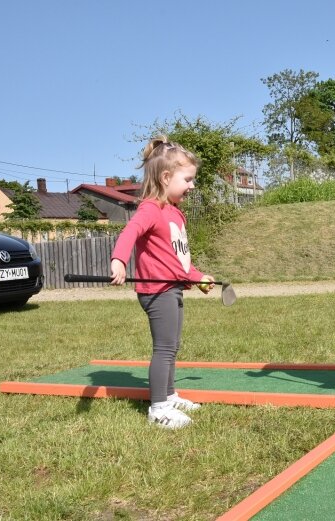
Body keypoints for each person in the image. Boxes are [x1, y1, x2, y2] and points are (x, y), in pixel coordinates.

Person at [110, 136, 215, 429]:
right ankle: (158, 409)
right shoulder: (151, 209)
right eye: (188, 179)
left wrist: (198, 277)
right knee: (164, 348)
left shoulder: (173, 213)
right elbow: (129, 233)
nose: (192, 186)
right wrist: (119, 260)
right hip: (156, 290)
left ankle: (169, 395)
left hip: (172, 287)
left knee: (173, 345)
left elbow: (178, 260)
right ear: (166, 177)